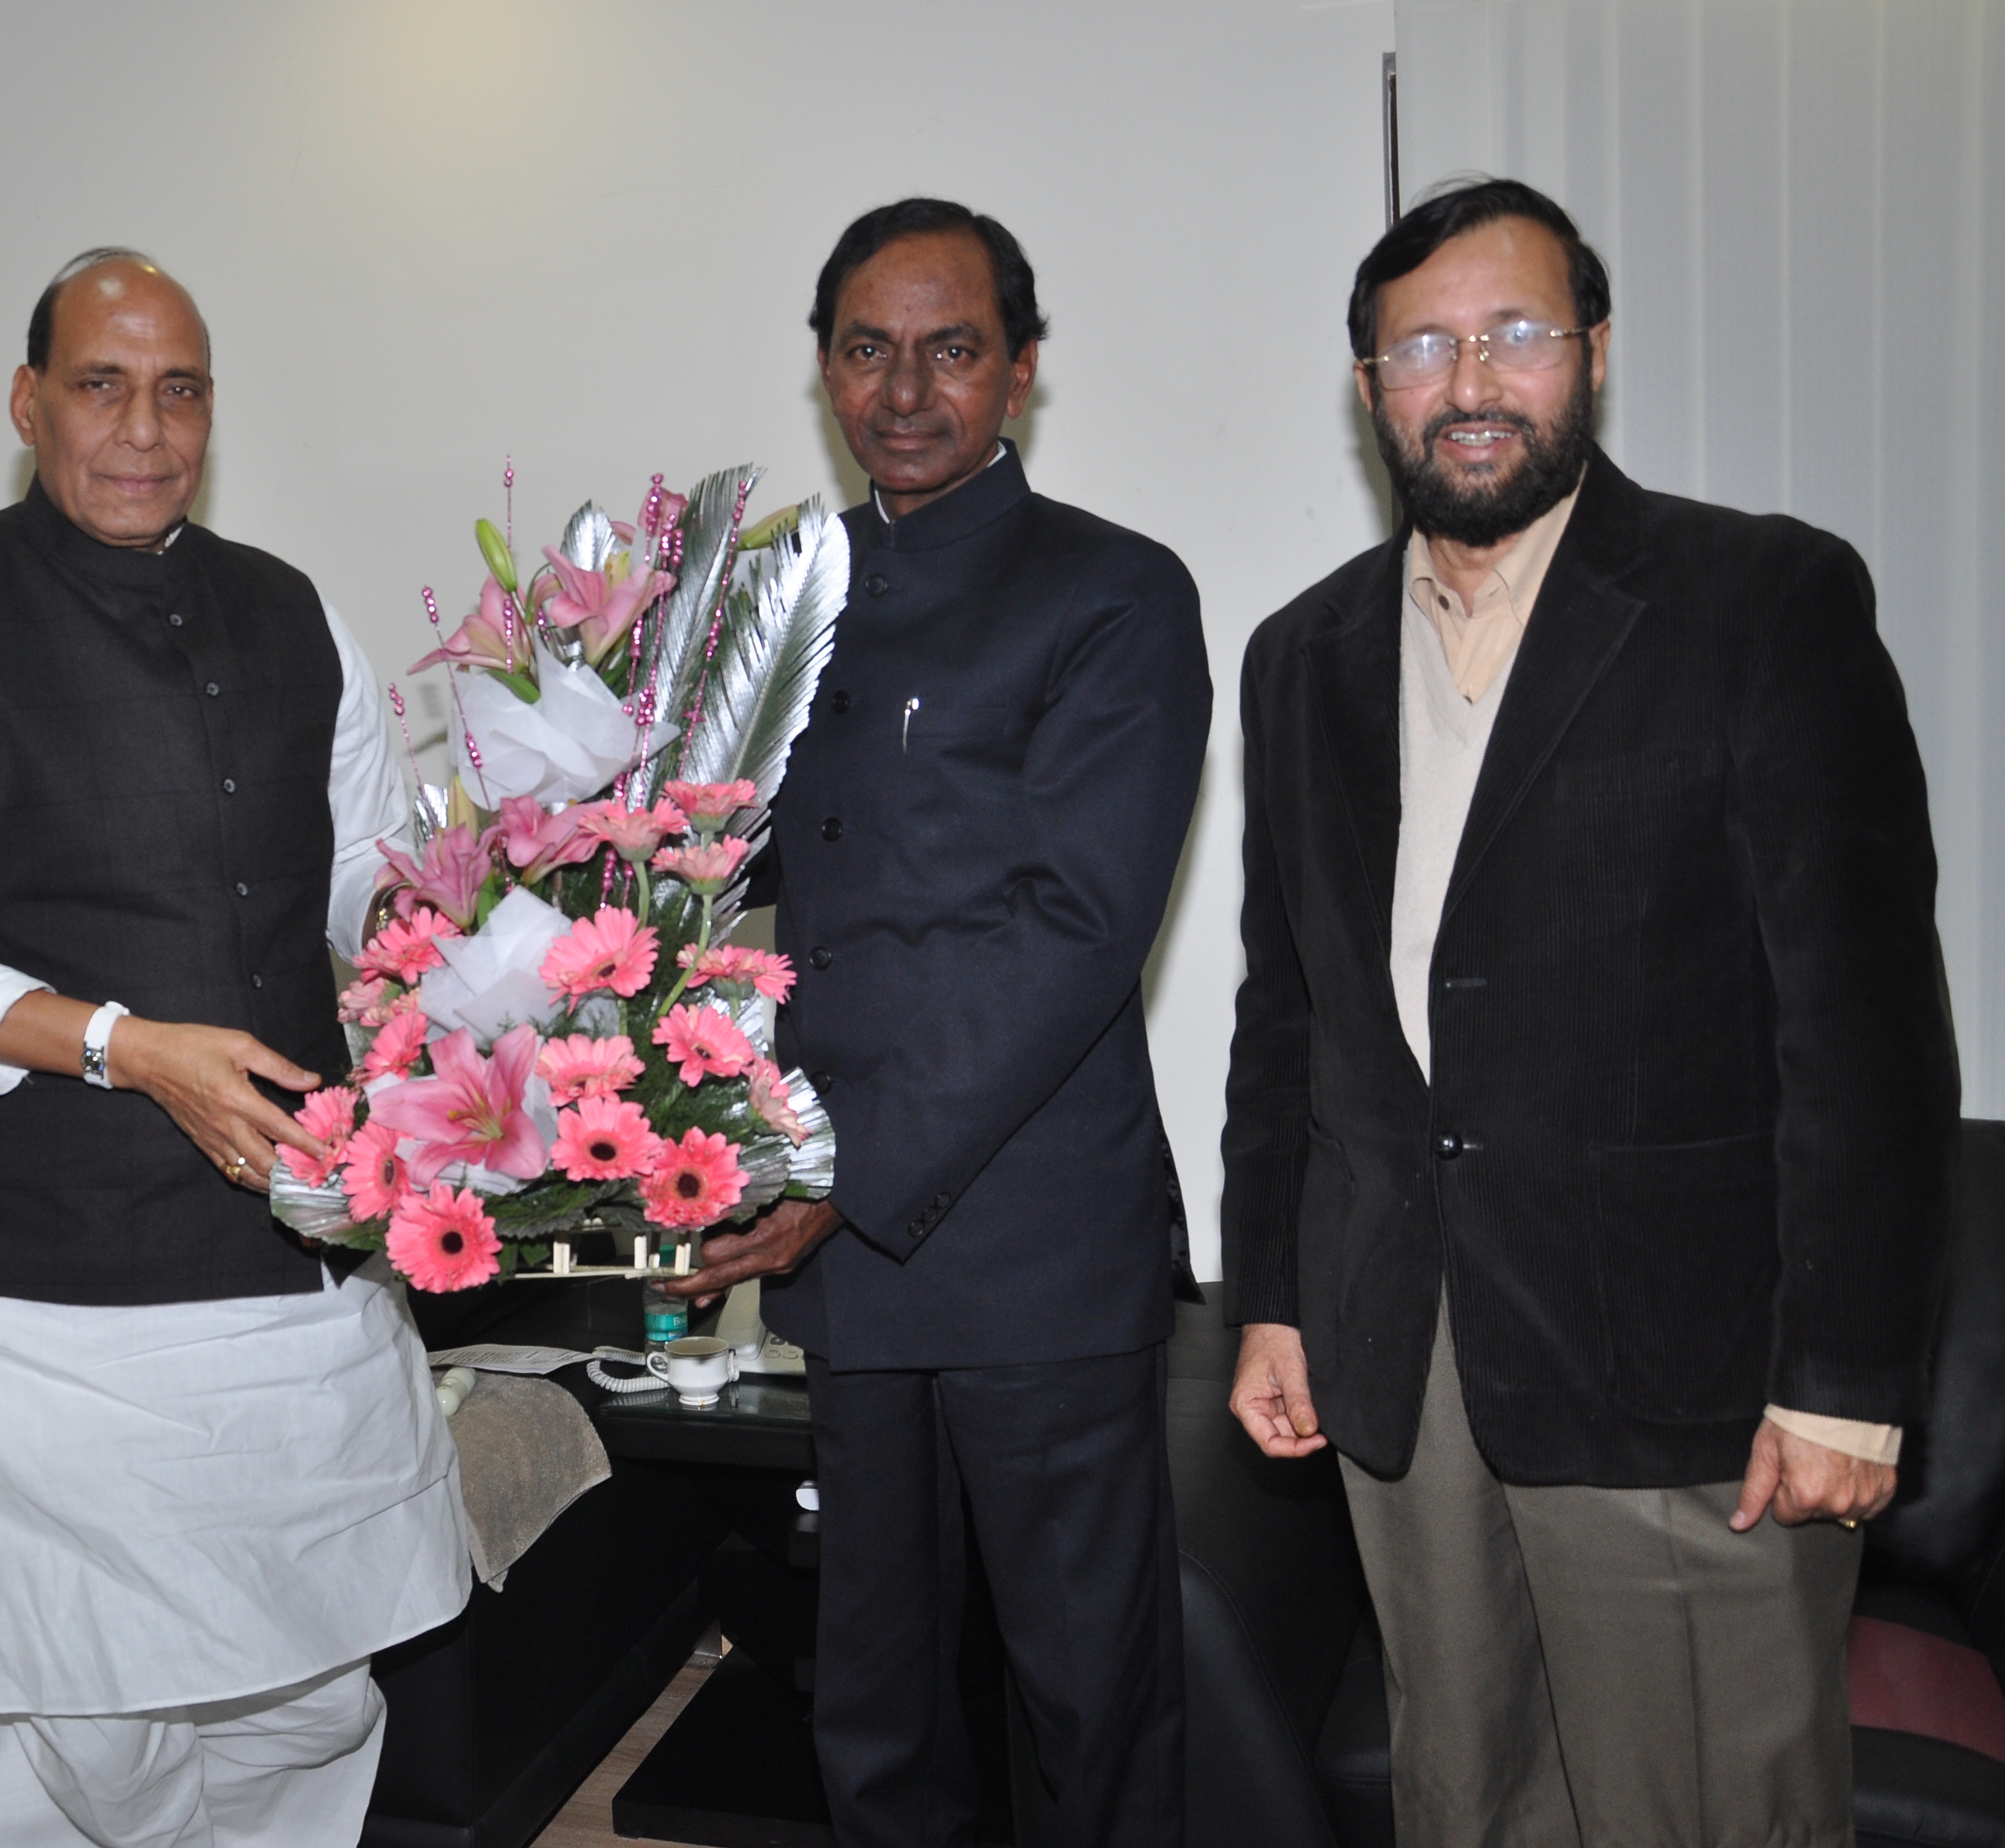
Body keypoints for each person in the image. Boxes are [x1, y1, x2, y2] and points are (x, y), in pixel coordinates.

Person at [1221, 178, 1956, 1844]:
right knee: (1463, 1797)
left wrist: (1844, 1374)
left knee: (1706, 1812)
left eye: (1514, 332)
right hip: (1398, 1362)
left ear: (1593, 355)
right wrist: (1272, 1290)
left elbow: (1864, 1027)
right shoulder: (1297, 658)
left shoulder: (1759, 602)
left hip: (1685, 1374)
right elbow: (1289, 1011)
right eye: (1420, 343)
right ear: (1368, 389)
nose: (1467, 376)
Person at [0, 248, 468, 1847]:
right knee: (78, 1739)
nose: (142, 426)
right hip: (45, 1303)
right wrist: (129, 1046)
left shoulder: (294, 610)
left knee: (309, 1699)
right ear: (28, 401)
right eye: (100, 384)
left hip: (284, 1288)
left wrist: (514, 949)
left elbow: (379, 887)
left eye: (178, 388)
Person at [667, 198, 1212, 1847]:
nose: (905, 389)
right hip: (843, 1260)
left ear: (1021, 371)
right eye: (865, 350)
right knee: (876, 1703)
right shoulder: (776, 598)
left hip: (1029, 1249)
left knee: (1085, 1700)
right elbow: (684, 865)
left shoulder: (1113, 592)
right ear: (824, 368)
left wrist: (836, 1168)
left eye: (951, 348)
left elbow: (1070, 934)